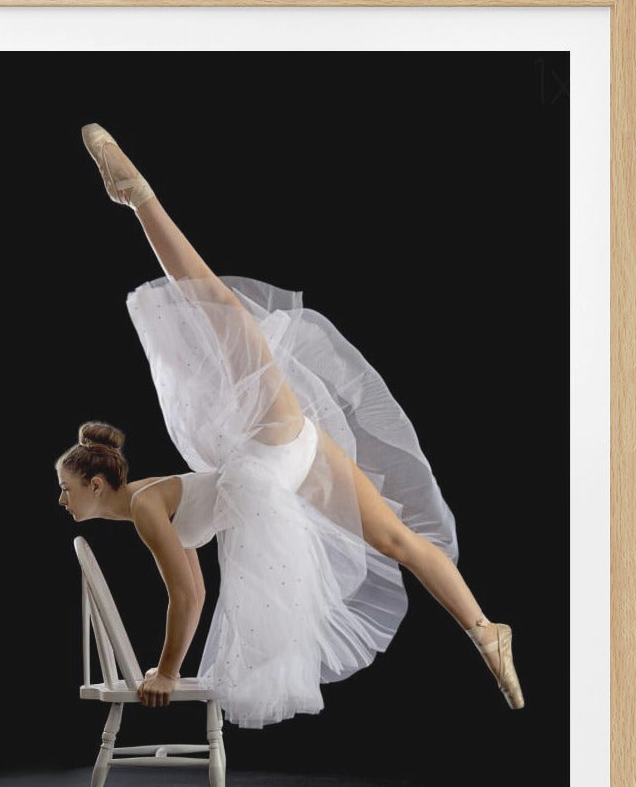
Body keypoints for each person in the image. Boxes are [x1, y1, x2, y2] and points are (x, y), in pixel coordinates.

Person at [55, 123, 524, 727]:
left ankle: (139, 197)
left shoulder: (146, 508)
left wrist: (167, 671)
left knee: (219, 309)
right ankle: (486, 631)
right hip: (290, 458)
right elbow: (192, 590)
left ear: (98, 485)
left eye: (66, 488)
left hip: (265, 455)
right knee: (401, 542)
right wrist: (168, 662)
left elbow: (190, 595)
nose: (60, 499)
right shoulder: (149, 506)